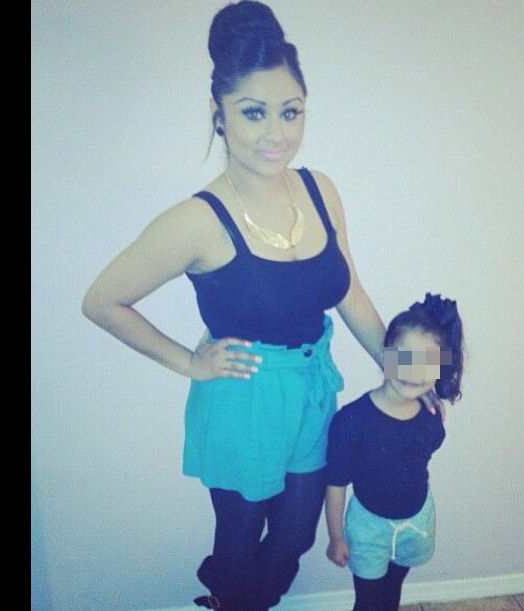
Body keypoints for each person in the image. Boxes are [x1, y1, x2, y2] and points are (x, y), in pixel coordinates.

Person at [81, 2, 442, 609]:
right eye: (254, 112)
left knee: (297, 534)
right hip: (242, 400)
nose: (276, 133)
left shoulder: (320, 190)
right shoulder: (197, 220)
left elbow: (350, 292)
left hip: (311, 389)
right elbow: (102, 300)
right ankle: (233, 598)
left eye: (290, 111)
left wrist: (404, 369)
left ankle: (239, 601)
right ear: (219, 114)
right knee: (240, 537)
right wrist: (188, 362)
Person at [324, 293, 464, 611]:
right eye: (404, 358)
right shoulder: (351, 422)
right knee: (369, 602)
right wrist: (336, 537)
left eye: (427, 362)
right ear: (386, 355)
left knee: (392, 592)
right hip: (369, 528)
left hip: (417, 521)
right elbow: (335, 484)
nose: (413, 372)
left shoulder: (431, 418)